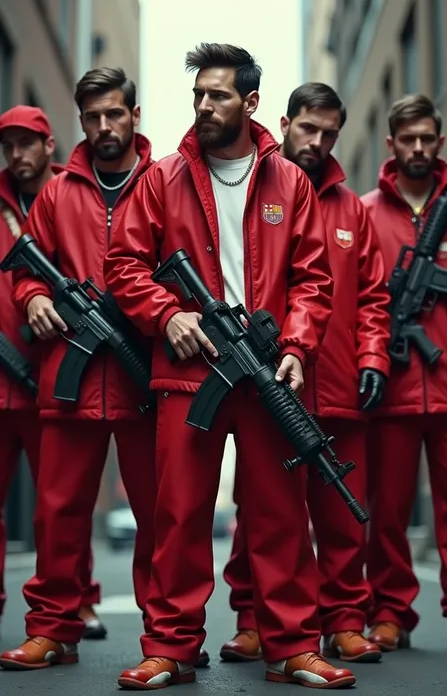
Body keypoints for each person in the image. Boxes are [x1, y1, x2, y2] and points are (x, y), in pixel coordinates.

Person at [103, 43, 359, 690]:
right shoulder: (161, 177)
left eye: (217, 94)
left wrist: (298, 346)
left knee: (278, 516)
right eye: (198, 94)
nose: (204, 105)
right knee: (179, 516)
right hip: (189, 373)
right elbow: (124, 266)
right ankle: (171, 647)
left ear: (250, 102)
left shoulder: (289, 182)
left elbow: (313, 281)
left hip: (268, 371)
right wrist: (169, 316)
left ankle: (293, 646)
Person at [220, 83, 391, 665]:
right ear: (286, 121)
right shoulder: (255, 191)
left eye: (328, 134)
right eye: (307, 128)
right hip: (268, 386)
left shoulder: (352, 211)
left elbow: (372, 296)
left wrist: (372, 358)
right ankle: (253, 619)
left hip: (339, 383)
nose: (316, 142)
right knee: (262, 509)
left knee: (342, 511)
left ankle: (344, 620)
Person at [0, 69, 160, 670]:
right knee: (56, 512)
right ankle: (52, 630)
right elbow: (25, 270)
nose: (103, 128)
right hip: (67, 376)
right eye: (92, 118)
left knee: (158, 515)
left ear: (134, 115)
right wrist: (35, 298)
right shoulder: (57, 193)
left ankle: (167, 639)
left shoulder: (163, 185)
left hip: (142, 378)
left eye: (114, 115)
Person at [361, 94, 447, 653]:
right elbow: (362, 300)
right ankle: (389, 612)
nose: (420, 149)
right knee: (387, 511)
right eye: (409, 140)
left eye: (429, 138)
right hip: (391, 387)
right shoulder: (365, 212)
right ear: (391, 143)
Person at [0, 105, 106, 641]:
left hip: (50, 375)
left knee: (63, 503)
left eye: (26, 144)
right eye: (8, 146)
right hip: (1, 379)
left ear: (48, 145)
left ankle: (80, 600)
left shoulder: (71, 195)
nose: (16, 155)